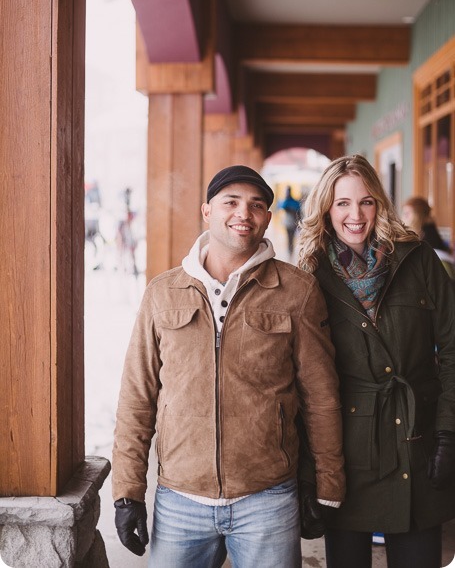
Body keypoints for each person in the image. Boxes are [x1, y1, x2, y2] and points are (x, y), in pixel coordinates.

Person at [112, 164, 345, 567]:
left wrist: (325, 485)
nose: (244, 213)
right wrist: (127, 490)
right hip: (180, 499)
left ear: (268, 219)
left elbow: (321, 398)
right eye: (231, 202)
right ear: (207, 211)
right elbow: (137, 397)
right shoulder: (163, 293)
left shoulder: (297, 291)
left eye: (256, 205)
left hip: (268, 500)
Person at [297, 154, 455, 568]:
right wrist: (308, 473)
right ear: (326, 209)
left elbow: (454, 350)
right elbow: (300, 380)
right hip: (344, 453)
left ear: (380, 205)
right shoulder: (309, 275)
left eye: (366, 202)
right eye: (342, 203)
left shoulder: (418, 259)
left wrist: (448, 433)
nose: (355, 215)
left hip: (417, 444)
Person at [402, 195, 455, 279]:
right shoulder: (428, 230)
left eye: (407, 214)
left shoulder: (426, 238)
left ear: (418, 215)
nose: (403, 218)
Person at [277, 185, 301, 257]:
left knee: (291, 237)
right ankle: (290, 251)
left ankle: (291, 251)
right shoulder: (288, 202)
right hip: (289, 223)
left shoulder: (290, 202)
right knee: (290, 237)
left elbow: (298, 213)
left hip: (292, 223)